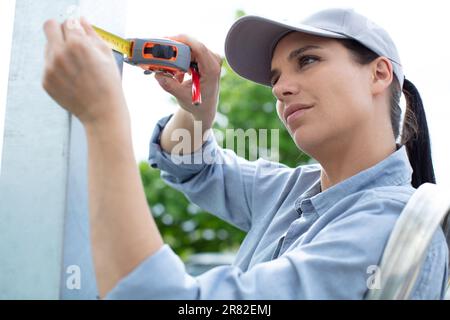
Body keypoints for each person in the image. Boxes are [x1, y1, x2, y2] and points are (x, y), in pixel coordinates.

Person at [42, 8, 448, 299]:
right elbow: (193, 167)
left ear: (379, 73)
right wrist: (197, 108)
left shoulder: (388, 225)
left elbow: (156, 295)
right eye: (275, 77)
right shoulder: (295, 188)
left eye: (307, 60)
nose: (280, 88)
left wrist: (103, 116)